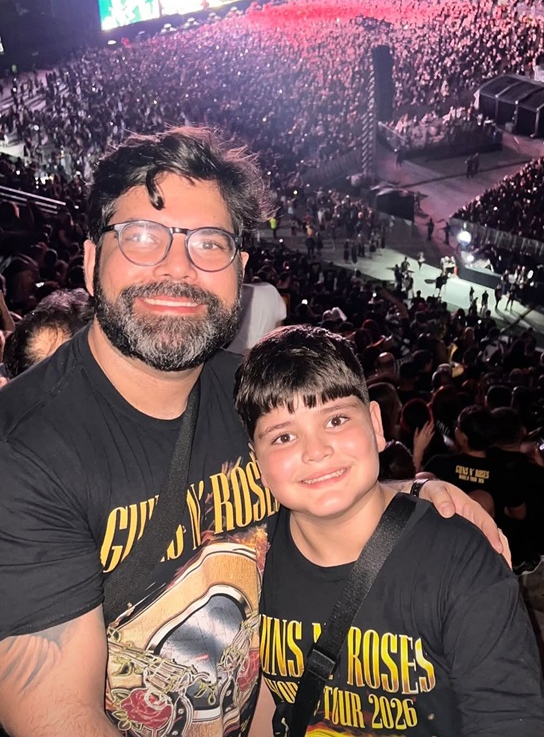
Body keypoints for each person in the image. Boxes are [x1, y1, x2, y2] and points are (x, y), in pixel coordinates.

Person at [0, 126, 504, 737]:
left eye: (209, 243)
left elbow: (309, 478)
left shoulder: (251, 396)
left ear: (238, 271)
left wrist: (408, 492)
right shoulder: (23, 449)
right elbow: (55, 712)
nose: (177, 267)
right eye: (142, 236)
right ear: (90, 260)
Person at [234, 326, 544, 737]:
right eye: (284, 436)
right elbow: (264, 703)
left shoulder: (461, 562)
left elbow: (509, 719)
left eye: (335, 419)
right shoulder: (247, 561)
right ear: (256, 461)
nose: (316, 451)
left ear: (375, 424)